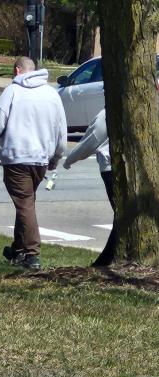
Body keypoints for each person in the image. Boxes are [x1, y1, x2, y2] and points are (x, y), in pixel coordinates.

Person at [0, 56, 67, 270]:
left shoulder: (13, 91)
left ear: (17, 70)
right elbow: (61, 132)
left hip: (17, 159)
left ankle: (32, 254)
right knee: (25, 202)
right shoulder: (51, 94)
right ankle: (17, 249)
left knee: (25, 204)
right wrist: (56, 157)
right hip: (40, 160)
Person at [63, 108, 115, 266]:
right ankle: (107, 259)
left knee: (122, 216)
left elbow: (92, 140)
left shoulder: (108, 112)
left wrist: (69, 159)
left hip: (112, 168)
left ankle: (106, 260)